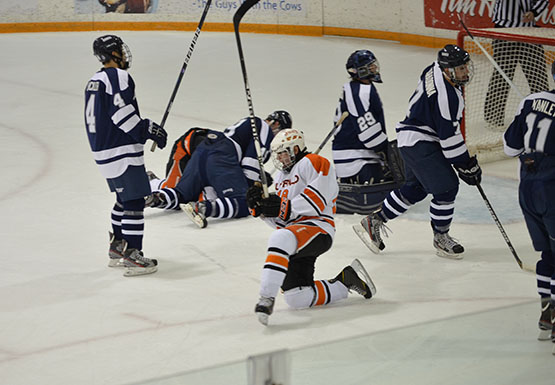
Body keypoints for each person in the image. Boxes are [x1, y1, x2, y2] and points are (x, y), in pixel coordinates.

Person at [352, 44, 482, 259]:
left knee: (417, 188)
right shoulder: (447, 98)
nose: (466, 72)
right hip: (420, 141)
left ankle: (373, 221)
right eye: (460, 69)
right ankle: (441, 237)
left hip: (410, 137)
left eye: (465, 67)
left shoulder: (433, 69)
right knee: (446, 188)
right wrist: (466, 164)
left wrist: (463, 163)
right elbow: (449, 139)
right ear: (448, 70)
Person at [247, 128, 377, 325]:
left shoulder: (315, 163)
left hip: (318, 227)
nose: (280, 158)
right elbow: (282, 220)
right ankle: (344, 282)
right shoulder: (282, 179)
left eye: (283, 152)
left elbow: (318, 200)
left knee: (280, 238)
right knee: (296, 297)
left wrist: (283, 206)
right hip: (296, 235)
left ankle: (266, 297)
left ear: (295, 148)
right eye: (277, 154)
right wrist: (262, 210)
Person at [84, 35, 167, 276]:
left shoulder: (95, 80)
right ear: (113, 54)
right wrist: (147, 130)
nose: (124, 53)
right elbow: (121, 115)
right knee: (134, 201)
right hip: (120, 151)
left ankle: (118, 247)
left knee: (123, 198)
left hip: (103, 151)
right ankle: (133, 255)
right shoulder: (118, 76)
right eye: (120, 49)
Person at [146, 111, 292, 228]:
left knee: (182, 194)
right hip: (222, 155)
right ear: (276, 124)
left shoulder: (251, 124)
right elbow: (249, 166)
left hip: (205, 148)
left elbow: (237, 168)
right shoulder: (263, 129)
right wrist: (254, 189)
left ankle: (154, 198)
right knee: (245, 202)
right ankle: (203, 208)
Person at [503, 59, 555, 350]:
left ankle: (546, 314)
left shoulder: (532, 100)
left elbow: (510, 147)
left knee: (548, 255)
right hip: (552, 190)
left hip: (527, 191)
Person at [484, 0, 550, 129]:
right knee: (502, 76)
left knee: (538, 77)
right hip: (504, 29)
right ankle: (493, 117)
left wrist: (534, 12)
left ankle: (543, 115)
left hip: (529, 31)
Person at [332, 49, 389, 185]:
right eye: (370, 66)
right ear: (359, 70)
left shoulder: (360, 88)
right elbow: (367, 132)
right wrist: (386, 151)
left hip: (356, 155)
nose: (374, 68)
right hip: (357, 159)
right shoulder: (358, 92)